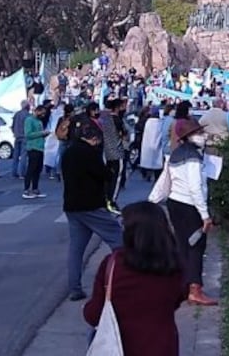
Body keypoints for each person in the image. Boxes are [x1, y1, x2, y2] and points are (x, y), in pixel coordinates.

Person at [83, 202, 187, 356]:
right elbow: (177, 299)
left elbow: (94, 315)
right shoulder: (174, 264)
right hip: (163, 346)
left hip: (121, 347)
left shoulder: (113, 264)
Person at [61, 103, 123, 302]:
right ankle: (124, 280)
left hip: (72, 206)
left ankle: (75, 288)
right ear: (93, 137)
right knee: (119, 240)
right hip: (91, 205)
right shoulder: (89, 153)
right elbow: (104, 174)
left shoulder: (68, 152)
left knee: (76, 250)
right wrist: (109, 171)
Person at [158, 119, 217, 306]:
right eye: (199, 133)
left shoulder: (176, 154)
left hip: (175, 203)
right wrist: (205, 215)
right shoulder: (193, 157)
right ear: (189, 137)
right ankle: (195, 289)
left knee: (183, 245)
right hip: (190, 205)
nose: (203, 136)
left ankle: (183, 286)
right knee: (196, 248)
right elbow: (195, 188)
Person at [23, 104, 49, 199]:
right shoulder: (29, 120)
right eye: (42, 113)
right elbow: (28, 134)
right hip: (33, 147)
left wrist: (44, 134)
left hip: (40, 147)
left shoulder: (39, 121)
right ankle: (26, 190)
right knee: (31, 169)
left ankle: (35, 188)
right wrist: (42, 133)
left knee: (38, 169)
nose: (43, 115)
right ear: (37, 111)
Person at [138, 106, 163, 182]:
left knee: (148, 161)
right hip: (157, 145)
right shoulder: (160, 123)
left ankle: (147, 175)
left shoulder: (148, 122)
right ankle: (156, 177)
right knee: (157, 162)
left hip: (147, 144)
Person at [12, 100, 31, 179]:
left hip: (17, 136)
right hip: (24, 137)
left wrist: (15, 132)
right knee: (23, 156)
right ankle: (22, 173)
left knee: (15, 156)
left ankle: (14, 172)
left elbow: (13, 125)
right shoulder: (28, 115)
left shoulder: (17, 114)